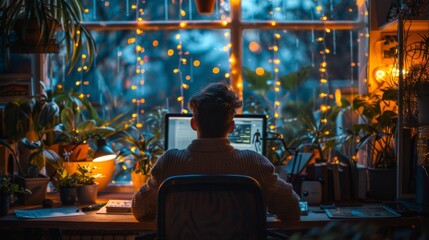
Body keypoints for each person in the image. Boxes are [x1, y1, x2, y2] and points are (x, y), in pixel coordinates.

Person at [132, 82, 301, 221]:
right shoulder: (254, 163)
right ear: (232, 127)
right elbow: (292, 208)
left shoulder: (170, 162)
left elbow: (139, 209)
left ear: (193, 124)